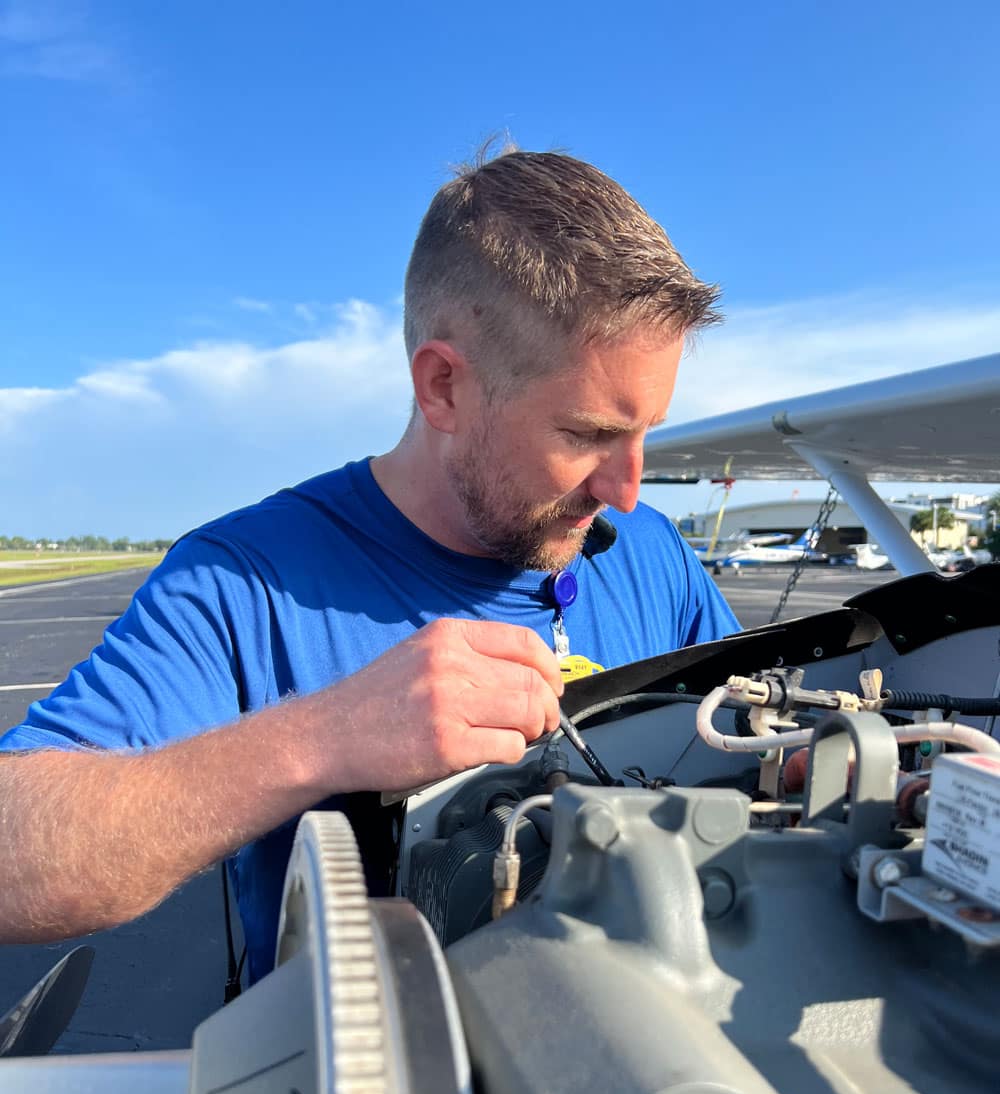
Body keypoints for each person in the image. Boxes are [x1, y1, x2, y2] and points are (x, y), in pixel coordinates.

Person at [0, 146, 739, 983]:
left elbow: (751, 736)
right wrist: (326, 736)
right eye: (587, 434)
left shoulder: (654, 556)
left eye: (646, 433)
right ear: (443, 388)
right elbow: (14, 849)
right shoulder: (244, 581)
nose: (629, 492)